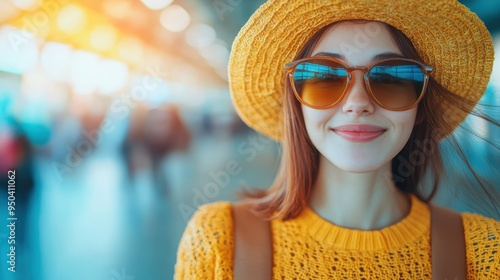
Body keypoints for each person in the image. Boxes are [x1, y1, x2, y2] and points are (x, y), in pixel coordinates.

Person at [175, 0, 499, 278]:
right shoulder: (219, 240)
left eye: (391, 78)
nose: (357, 103)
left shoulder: (484, 251)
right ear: (296, 105)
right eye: (324, 77)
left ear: (421, 106)